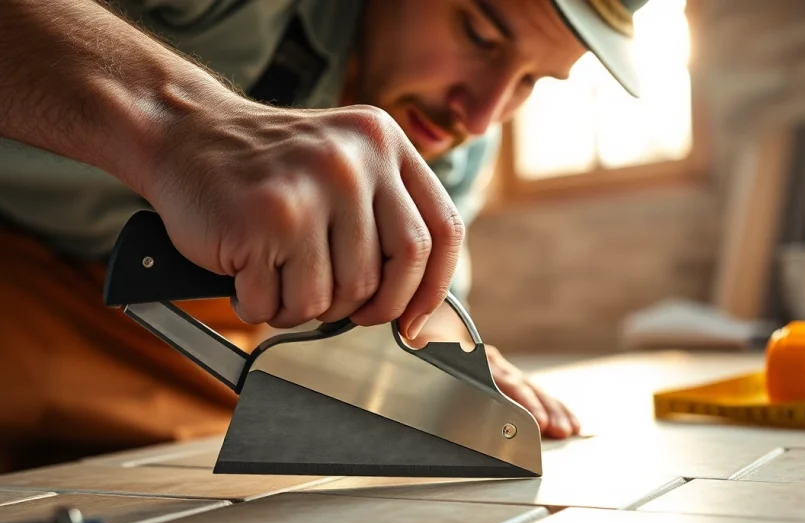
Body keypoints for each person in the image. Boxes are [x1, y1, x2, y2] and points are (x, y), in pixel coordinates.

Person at [0, 0, 647, 473]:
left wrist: (445, 369)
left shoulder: (454, 140)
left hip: (156, 352)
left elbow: (411, 322)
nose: (480, 115)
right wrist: (183, 119)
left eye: (532, 81)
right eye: (479, 33)